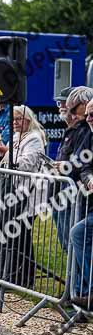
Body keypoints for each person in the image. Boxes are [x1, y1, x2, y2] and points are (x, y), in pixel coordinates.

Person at [0, 105, 47, 288]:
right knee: (10, 233)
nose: (15, 123)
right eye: (13, 120)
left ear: (28, 120)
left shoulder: (34, 138)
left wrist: (9, 156)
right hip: (12, 190)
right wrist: (2, 153)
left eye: (18, 119)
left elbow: (27, 163)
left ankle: (19, 277)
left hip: (28, 193)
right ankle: (9, 274)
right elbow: (6, 162)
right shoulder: (14, 137)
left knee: (20, 234)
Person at [54, 87, 93, 251]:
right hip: (70, 192)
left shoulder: (85, 130)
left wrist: (67, 167)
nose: (70, 113)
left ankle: (82, 277)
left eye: (73, 109)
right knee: (71, 244)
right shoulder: (76, 128)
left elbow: (82, 162)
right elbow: (86, 167)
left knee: (77, 239)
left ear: (84, 104)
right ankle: (77, 276)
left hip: (80, 196)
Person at [70, 99, 93, 308]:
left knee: (78, 232)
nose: (88, 119)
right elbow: (85, 167)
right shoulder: (90, 136)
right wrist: (89, 179)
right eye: (87, 114)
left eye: (92, 114)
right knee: (78, 233)